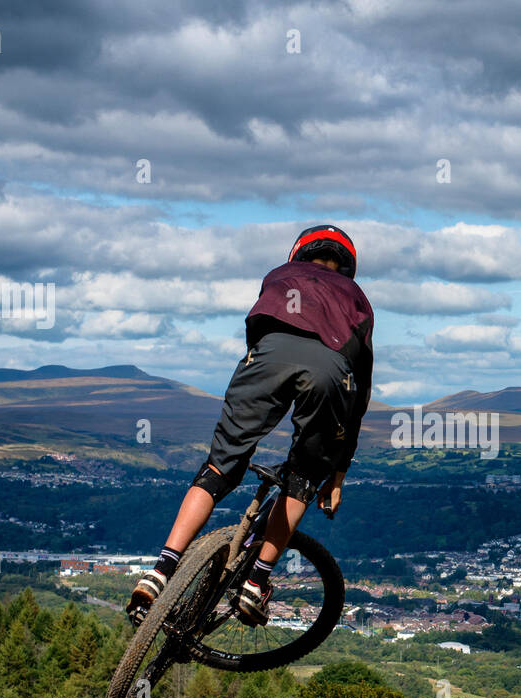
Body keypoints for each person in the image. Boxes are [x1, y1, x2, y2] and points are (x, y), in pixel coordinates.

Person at [126, 225, 373, 627]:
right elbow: (358, 397)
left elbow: (255, 332)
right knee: (303, 478)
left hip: (264, 358)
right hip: (329, 371)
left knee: (219, 467)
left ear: (299, 252)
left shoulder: (277, 276)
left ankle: (160, 571)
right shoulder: (358, 298)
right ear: (347, 265)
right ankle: (256, 584)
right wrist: (338, 473)